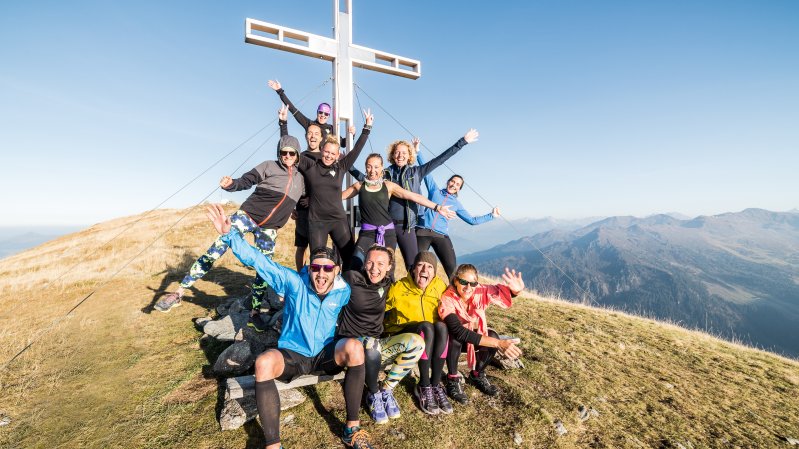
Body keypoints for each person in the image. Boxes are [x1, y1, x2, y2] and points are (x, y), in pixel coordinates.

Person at [205, 203, 375, 449]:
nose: (321, 274)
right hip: (293, 353)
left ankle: (352, 429)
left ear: (336, 271)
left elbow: (357, 311)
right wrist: (230, 235)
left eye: (327, 268)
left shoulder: (343, 290)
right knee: (263, 363)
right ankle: (273, 445)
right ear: (309, 269)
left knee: (355, 348)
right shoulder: (294, 282)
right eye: (315, 268)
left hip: (324, 353)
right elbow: (260, 262)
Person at [154, 135, 304, 314]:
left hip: (269, 229)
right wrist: (231, 184)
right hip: (246, 216)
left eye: (291, 153)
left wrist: (299, 212)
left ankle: (255, 311)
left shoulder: (301, 180)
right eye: (283, 152)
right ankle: (179, 292)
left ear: (297, 155)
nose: (287, 156)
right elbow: (246, 180)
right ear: (279, 153)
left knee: (265, 268)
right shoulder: (268, 166)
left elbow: (307, 201)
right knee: (216, 249)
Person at [352, 130, 478, 272]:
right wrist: (349, 166)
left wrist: (462, 142)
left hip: (408, 228)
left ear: (409, 155)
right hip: (388, 228)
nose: (400, 156)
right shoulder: (384, 174)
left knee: (412, 267)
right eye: (397, 152)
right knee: (387, 268)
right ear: (393, 155)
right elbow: (366, 180)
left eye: (404, 153)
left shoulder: (417, 172)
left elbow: (441, 159)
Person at [337, 246, 425, 424]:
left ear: (389, 267)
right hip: (350, 346)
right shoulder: (351, 278)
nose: (374, 268)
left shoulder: (388, 284)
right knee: (370, 344)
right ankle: (373, 393)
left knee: (417, 342)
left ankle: (386, 389)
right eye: (369, 262)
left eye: (380, 264)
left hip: (376, 346)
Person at [341, 153, 456, 272]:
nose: (372, 170)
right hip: (367, 233)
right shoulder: (359, 186)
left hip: (387, 233)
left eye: (376, 167)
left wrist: (437, 207)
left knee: (388, 271)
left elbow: (413, 196)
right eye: (369, 166)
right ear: (365, 167)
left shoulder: (389, 186)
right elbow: (337, 197)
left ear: (381, 168)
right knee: (355, 265)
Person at [296, 109, 373, 268]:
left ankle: (350, 289)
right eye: (326, 152)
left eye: (333, 153)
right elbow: (290, 154)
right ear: (321, 150)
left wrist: (367, 128)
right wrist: (283, 123)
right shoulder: (311, 166)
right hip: (317, 222)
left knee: (350, 258)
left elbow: (357, 150)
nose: (329, 156)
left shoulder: (341, 167)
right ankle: (316, 291)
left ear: (338, 155)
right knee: (317, 262)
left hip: (338, 220)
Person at [439, 264, 524, 402]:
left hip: (470, 338)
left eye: (473, 283)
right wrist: (499, 344)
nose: (468, 287)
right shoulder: (447, 298)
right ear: (455, 280)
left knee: (492, 335)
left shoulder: (480, 291)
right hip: (451, 342)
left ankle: (477, 374)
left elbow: (500, 292)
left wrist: (515, 291)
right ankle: (452, 379)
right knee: (455, 337)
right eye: (463, 282)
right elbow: (458, 331)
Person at [383, 251, 451, 415]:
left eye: (429, 267)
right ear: (413, 269)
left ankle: (435, 385)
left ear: (434, 273)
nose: (424, 270)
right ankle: (423, 384)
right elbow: (379, 311)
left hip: (430, 335)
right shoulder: (399, 288)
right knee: (427, 327)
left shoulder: (439, 286)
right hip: (403, 333)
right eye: (420, 265)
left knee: (442, 327)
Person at [416, 173, 500, 279]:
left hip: (441, 236)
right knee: (415, 266)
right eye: (452, 181)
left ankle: (454, 293)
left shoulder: (456, 204)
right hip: (423, 232)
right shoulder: (434, 191)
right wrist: (416, 155)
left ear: (459, 189)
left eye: (457, 184)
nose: (454, 185)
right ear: (448, 182)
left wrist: (492, 215)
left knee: (452, 272)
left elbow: (472, 220)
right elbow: (426, 171)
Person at [268, 79, 346, 146]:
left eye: (326, 114)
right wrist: (280, 91)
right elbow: (292, 109)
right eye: (321, 112)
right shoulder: (309, 124)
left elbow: (342, 144)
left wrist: (351, 134)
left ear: (329, 116)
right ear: (317, 113)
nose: (323, 115)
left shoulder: (331, 128)